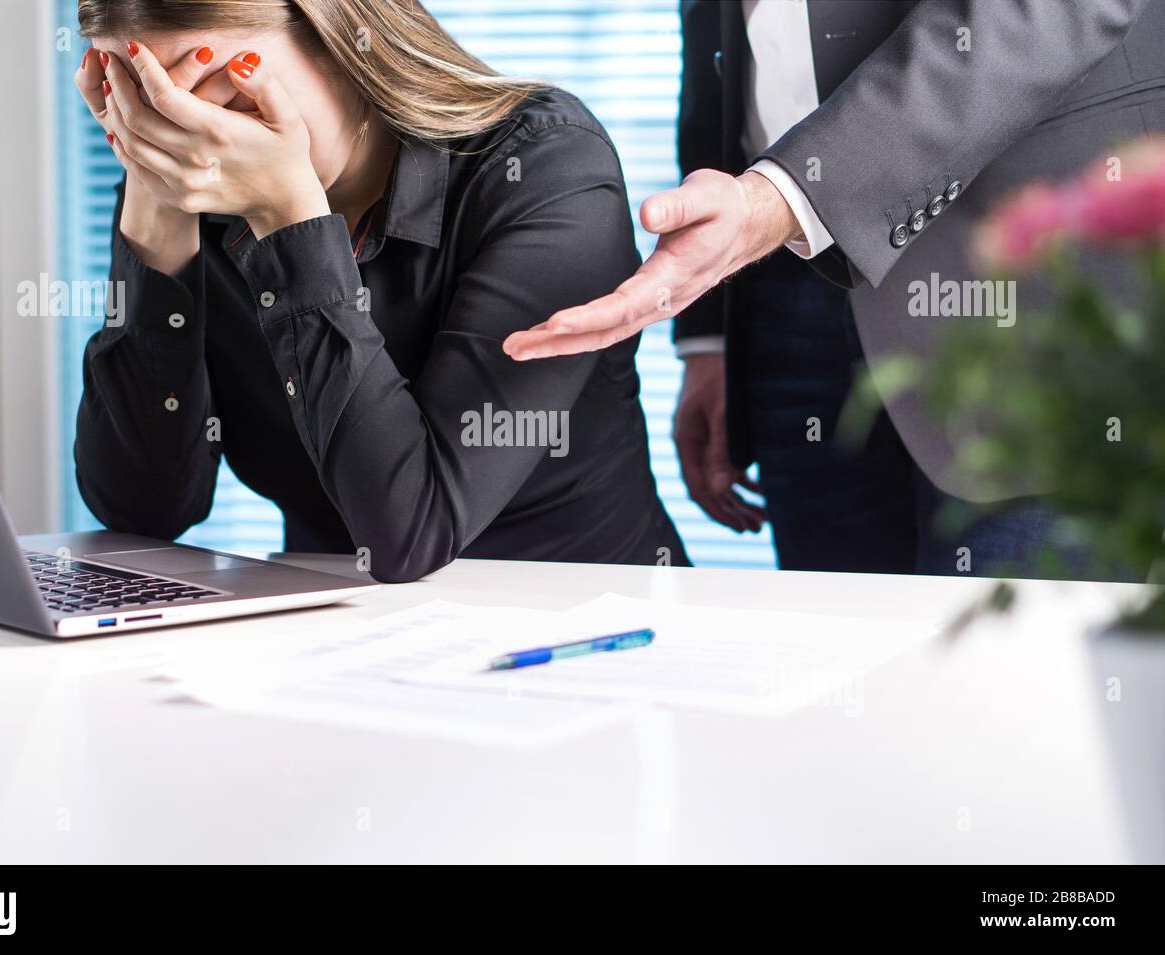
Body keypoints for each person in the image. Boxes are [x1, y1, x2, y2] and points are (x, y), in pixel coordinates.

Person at [505, 0, 1165, 579]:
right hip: (783, 279)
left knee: (1012, 697)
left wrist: (782, 200)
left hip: (1021, 274)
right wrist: (708, 337)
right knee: (842, 684)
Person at [71, 0, 688, 583]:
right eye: (149, 114)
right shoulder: (187, 192)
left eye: (225, 100)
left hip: (585, 630)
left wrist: (290, 221)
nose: (199, 148)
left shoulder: (545, 166)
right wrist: (153, 207)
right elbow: (143, 513)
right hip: (335, 646)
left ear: (340, 37)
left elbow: (408, 534)